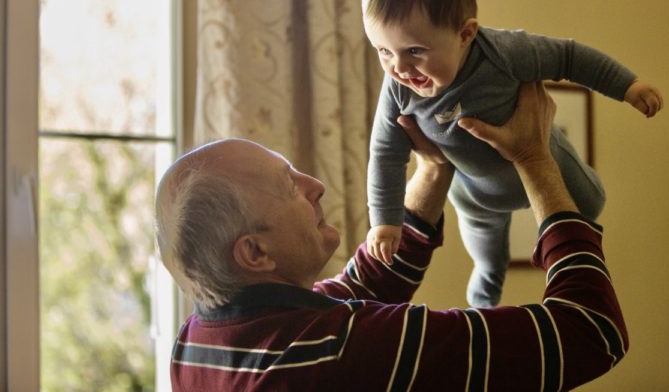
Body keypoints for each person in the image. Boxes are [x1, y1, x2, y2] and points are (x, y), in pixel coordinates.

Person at [155, 82, 628, 391]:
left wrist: (434, 167)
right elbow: (590, 330)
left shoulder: (197, 343)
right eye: (289, 186)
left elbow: (365, 284)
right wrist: (534, 158)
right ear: (255, 252)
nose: (314, 186)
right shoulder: (345, 352)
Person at [363, 0, 663, 306]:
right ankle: (484, 302)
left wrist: (628, 86)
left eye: (414, 51)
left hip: (544, 158)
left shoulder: (503, 53)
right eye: (383, 51)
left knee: (591, 203)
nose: (399, 68)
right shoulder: (397, 88)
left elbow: (569, 57)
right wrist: (385, 220)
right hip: (475, 194)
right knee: (488, 259)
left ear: (465, 34)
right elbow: (384, 154)